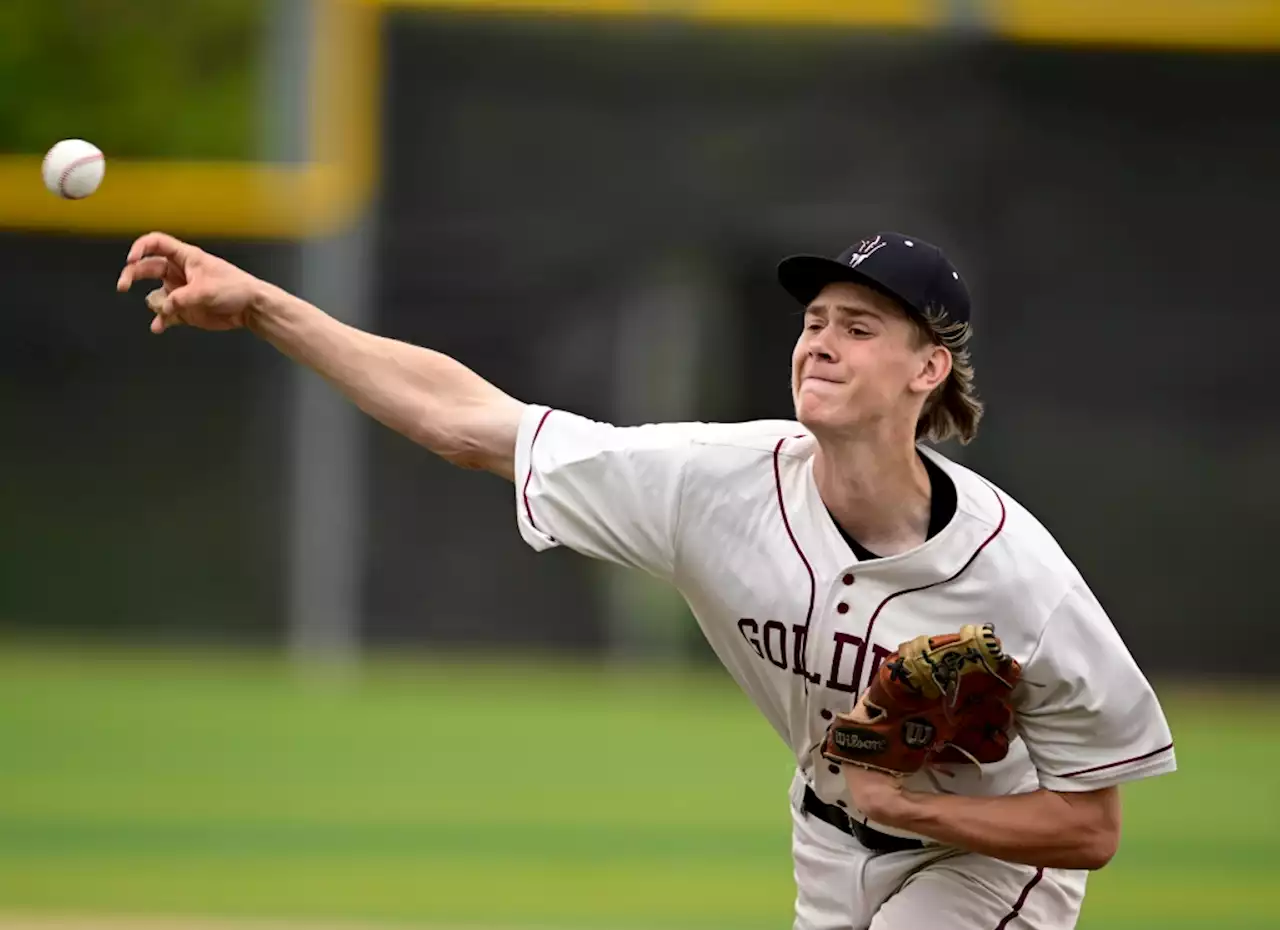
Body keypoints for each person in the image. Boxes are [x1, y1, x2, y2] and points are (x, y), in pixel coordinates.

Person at [116, 229, 1176, 929]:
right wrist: (260, 306)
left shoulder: (1016, 578)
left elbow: (1089, 830)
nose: (819, 342)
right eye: (813, 321)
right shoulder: (711, 485)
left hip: (985, 869)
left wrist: (917, 811)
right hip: (821, 841)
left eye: (858, 329)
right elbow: (467, 423)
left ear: (926, 369)